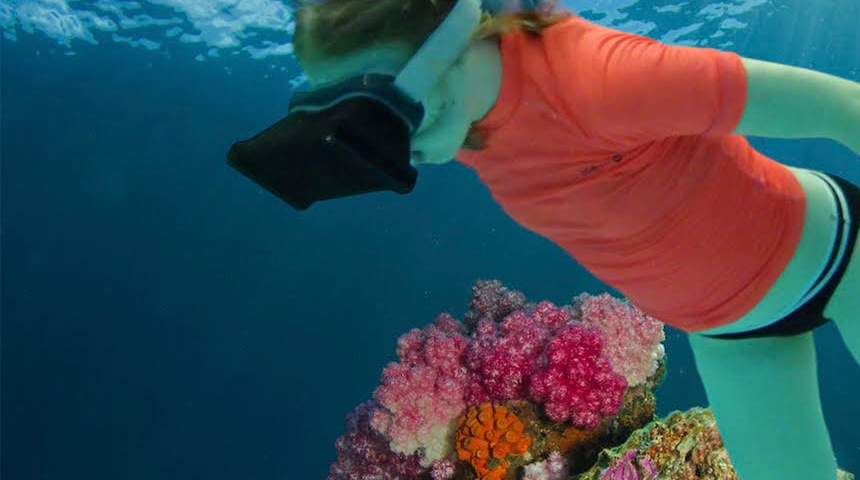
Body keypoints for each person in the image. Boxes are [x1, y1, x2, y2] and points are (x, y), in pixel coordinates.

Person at [292, 0, 860, 478]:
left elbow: (845, 108)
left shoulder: (595, 77)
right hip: (732, 337)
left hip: (838, 257)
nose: (386, 141)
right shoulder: (459, 128)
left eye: (381, 105)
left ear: (453, 43)